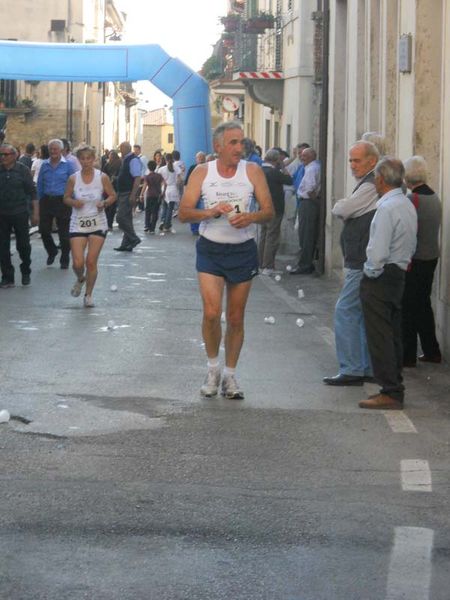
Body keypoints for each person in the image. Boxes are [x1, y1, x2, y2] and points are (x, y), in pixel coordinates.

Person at [178, 120, 274, 399]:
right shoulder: (202, 172)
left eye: (241, 141)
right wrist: (209, 212)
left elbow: (269, 211)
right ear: (218, 146)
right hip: (211, 248)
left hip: (242, 250)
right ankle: (212, 369)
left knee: (234, 317)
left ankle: (230, 376)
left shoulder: (253, 171)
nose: (239, 147)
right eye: (233, 142)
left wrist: (250, 217)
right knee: (211, 313)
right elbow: (184, 213)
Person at [359, 157, 417, 410]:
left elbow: (378, 251)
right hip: (399, 272)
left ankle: (390, 390)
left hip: (383, 275)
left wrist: (370, 272)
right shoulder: (405, 204)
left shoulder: (386, 208)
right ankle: (394, 386)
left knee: (380, 335)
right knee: (392, 333)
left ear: (380, 179)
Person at [323, 140, 380, 386]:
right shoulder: (368, 182)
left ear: (372, 161)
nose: (352, 165)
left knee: (346, 311)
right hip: (360, 257)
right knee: (357, 312)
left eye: (357, 160)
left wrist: (339, 205)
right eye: (350, 160)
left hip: (361, 259)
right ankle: (363, 367)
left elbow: (344, 208)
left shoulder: (370, 184)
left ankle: (353, 368)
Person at [63, 144, 116, 307]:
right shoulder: (73, 178)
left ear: (94, 159)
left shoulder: (102, 177)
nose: (86, 162)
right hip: (78, 223)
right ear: (78, 160)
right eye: (82, 159)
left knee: (91, 262)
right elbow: (65, 197)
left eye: (89, 158)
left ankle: (88, 295)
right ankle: (80, 278)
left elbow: (113, 195)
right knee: (77, 263)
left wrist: (105, 202)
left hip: (97, 223)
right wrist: (73, 202)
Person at [402, 155, 442, 366]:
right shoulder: (435, 196)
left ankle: (407, 356)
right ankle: (432, 350)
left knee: (408, 308)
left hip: (415, 260)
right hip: (431, 257)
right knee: (423, 306)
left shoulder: (412, 200)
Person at [0, 143, 38, 287]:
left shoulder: (23, 171)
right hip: (2, 214)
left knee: (23, 246)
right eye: (1, 155)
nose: (3, 157)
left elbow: (33, 192)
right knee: (2, 247)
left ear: (14, 156)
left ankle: (25, 270)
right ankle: (7, 277)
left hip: (20, 212)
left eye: (6, 155)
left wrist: (35, 213)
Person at [37, 138, 76, 268]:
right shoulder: (44, 165)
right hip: (46, 200)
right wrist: (38, 201)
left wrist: (73, 201)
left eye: (55, 149)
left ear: (61, 150)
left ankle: (65, 257)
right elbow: (40, 184)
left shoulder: (68, 165)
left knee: (64, 233)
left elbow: (73, 183)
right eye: (51, 149)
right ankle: (52, 251)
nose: (53, 151)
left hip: (63, 201)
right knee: (43, 230)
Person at [258, 148, 293, 274]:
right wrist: (283, 167)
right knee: (272, 237)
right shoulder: (274, 172)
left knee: (263, 235)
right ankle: (268, 266)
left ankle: (261, 263)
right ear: (276, 160)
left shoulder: (259, 171)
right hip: (274, 208)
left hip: (261, 207)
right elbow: (289, 180)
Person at [290, 147, 321, 275]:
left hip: (308, 203)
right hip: (306, 202)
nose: (302, 158)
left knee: (306, 235)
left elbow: (310, 188)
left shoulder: (312, 168)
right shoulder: (310, 167)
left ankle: (305, 264)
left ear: (311, 157)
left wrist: (312, 199)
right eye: (301, 156)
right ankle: (306, 263)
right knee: (305, 234)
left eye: (304, 156)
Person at [114, 141, 142, 252]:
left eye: (121, 148)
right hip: (123, 192)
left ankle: (134, 238)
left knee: (120, 218)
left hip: (127, 193)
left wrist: (133, 194)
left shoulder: (133, 160)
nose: (120, 151)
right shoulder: (126, 159)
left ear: (126, 148)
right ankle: (125, 244)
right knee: (127, 219)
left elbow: (137, 178)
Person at [158, 152, 181, 232]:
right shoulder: (176, 167)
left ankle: (162, 221)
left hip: (164, 189)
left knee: (164, 206)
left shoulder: (161, 169)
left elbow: (160, 180)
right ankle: (167, 225)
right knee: (170, 208)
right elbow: (179, 179)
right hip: (173, 188)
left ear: (165, 159)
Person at [185, 151, 206, 236]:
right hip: (193, 194)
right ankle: (194, 229)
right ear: (196, 159)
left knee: (202, 212)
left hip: (203, 195)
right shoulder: (192, 168)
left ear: (204, 159)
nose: (200, 159)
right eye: (199, 158)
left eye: (202, 158)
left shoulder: (208, 168)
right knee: (192, 212)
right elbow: (186, 182)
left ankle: (201, 228)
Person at [141, 160, 164, 233]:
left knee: (148, 211)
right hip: (157, 196)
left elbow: (145, 186)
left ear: (148, 167)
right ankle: (152, 228)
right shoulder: (159, 176)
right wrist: (162, 192)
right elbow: (164, 184)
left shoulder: (147, 177)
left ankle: (147, 225)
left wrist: (141, 194)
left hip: (149, 195)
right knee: (155, 212)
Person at [102, 149, 121, 231]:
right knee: (108, 207)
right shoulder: (107, 165)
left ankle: (109, 224)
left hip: (114, 187)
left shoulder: (119, 164)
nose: (110, 158)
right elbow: (103, 174)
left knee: (111, 207)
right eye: (109, 156)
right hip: (109, 187)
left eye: (111, 156)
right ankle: (108, 224)